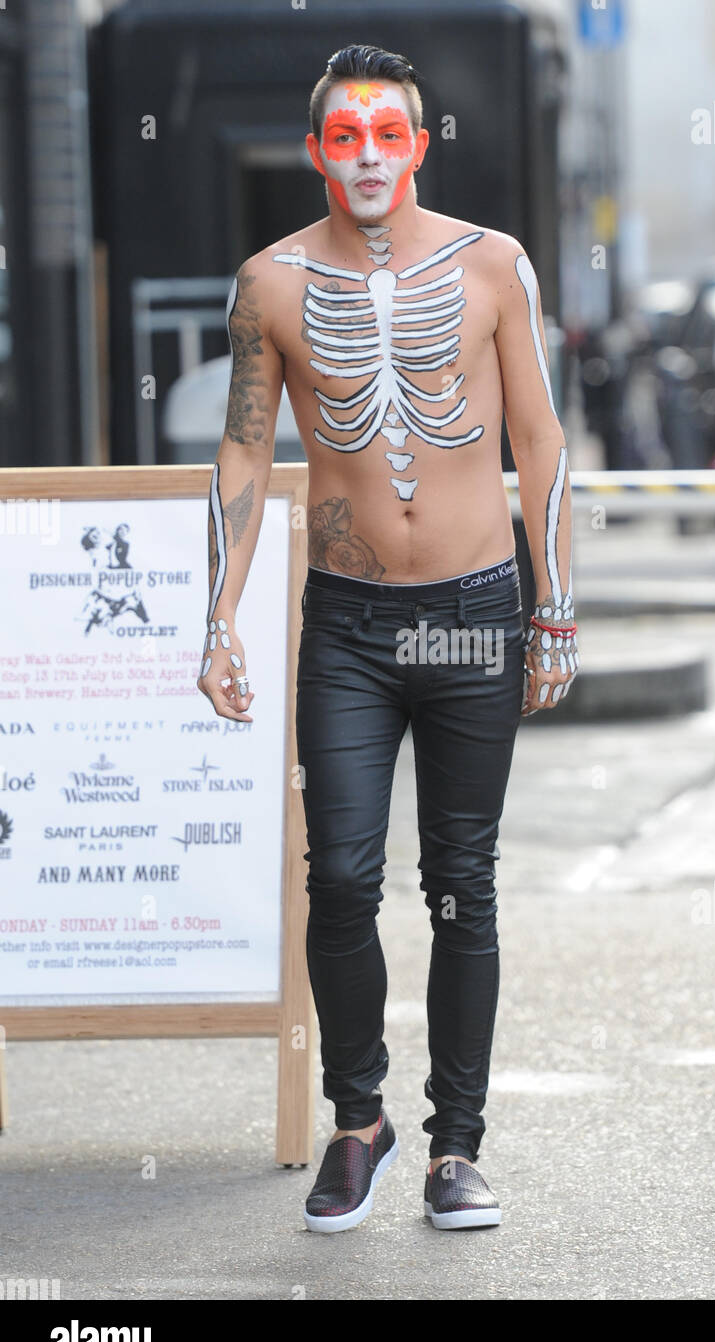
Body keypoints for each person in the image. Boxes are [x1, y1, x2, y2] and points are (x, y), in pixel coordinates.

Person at [197, 43, 580, 1233]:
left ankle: (455, 1148)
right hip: (351, 626)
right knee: (343, 876)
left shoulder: (492, 267)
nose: (367, 155)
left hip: (472, 610)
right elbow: (248, 452)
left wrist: (553, 607)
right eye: (344, 137)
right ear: (318, 150)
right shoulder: (268, 284)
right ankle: (357, 1120)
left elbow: (539, 442)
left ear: (418, 144)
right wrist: (220, 615)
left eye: (389, 135)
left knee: (462, 885)